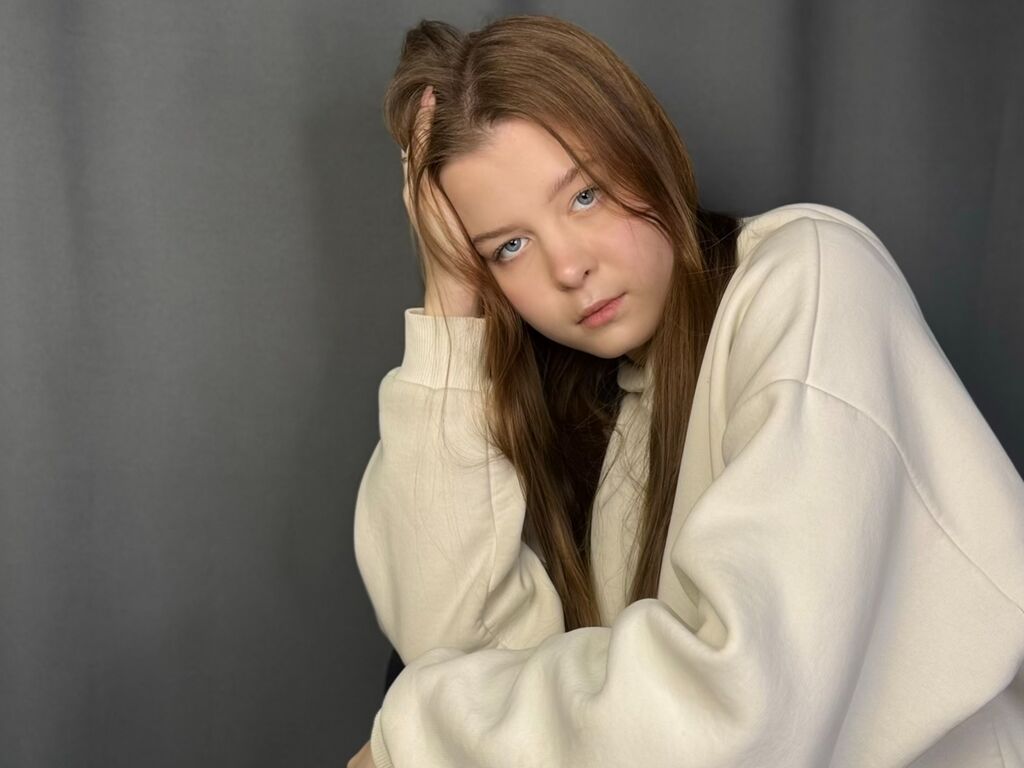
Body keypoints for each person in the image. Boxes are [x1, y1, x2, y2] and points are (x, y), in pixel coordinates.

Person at [349, 15, 1024, 768]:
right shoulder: (593, 403)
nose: (567, 267)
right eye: (508, 246)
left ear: (646, 152)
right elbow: (454, 657)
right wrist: (450, 305)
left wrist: (412, 744)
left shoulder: (811, 281)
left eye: (585, 196)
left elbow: (740, 711)